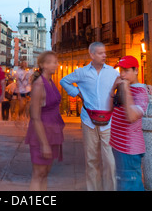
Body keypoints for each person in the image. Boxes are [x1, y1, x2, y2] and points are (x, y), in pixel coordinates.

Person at [60, 42, 119, 191]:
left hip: (108, 122)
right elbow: (64, 81)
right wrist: (77, 93)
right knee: (91, 159)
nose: (104, 55)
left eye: (105, 52)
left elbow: (127, 83)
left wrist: (147, 87)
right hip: (88, 121)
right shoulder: (82, 72)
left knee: (110, 161)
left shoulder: (113, 72)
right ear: (92, 55)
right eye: (100, 53)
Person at [25, 51, 65, 191]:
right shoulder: (39, 85)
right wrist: (44, 144)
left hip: (52, 131)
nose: (56, 64)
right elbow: (35, 117)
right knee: (38, 173)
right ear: (43, 65)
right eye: (52, 62)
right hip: (41, 134)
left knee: (45, 172)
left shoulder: (50, 81)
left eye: (56, 61)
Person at [109, 56, 149, 191]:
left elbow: (131, 117)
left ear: (136, 70)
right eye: (121, 70)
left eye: (126, 70)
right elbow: (110, 109)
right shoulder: (123, 87)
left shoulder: (141, 93)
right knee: (124, 184)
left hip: (129, 148)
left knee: (130, 186)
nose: (122, 74)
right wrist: (112, 89)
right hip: (118, 145)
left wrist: (125, 89)